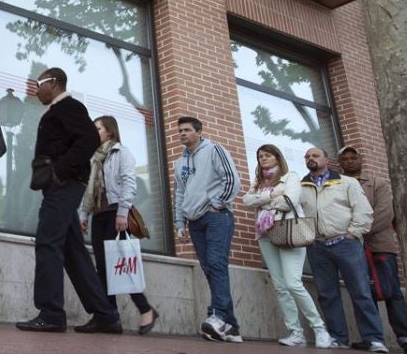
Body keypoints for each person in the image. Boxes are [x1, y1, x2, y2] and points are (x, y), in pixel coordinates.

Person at [15, 68, 122, 335]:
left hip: (65, 185)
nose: (35, 89)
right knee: (74, 252)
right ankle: (106, 315)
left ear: (53, 83)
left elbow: (88, 139)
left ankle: (51, 313)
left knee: (47, 242)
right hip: (62, 186)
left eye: (39, 84)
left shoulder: (70, 106)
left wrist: (59, 171)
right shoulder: (56, 110)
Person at [241, 144, 333, 348]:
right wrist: (271, 196)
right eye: (260, 156)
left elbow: (290, 200)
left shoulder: (290, 176)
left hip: (289, 231)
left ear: (277, 157)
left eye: (267, 155)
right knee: (281, 286)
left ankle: (319, 328)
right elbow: (247, 200)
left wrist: (263, 200)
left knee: (293, 283)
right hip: (265, 235)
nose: (263, 159)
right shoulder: (258, 181)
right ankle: (295, 332)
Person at [300, 147, 388, 353]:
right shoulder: (301, 186)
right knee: (327, 294)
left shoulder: (346, 182)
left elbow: (363, 210)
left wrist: (353, 233)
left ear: (326, 160)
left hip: (346, 243)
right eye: (307, 156)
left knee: (361, 291)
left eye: (315, 155)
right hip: (318, 246)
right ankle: (338, 337)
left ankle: (374, 339)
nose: (310, 159)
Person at [80, 115, 157, 335]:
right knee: (103, 268)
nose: (94, 132)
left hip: (116, 213)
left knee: (122, 265)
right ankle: (109, 318)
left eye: (98, 129)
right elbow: (89, 190)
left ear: (110, 132)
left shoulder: (121, 152)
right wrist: (83, 216)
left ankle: (145, 309)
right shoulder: (94, 158)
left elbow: (129, 184)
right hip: (99, 215)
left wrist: (123, 213)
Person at [173, 116, 241, 343]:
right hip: (194, 221)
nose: (182, 133)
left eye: (187, 130)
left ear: (198, 132)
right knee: (210, 268)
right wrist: (180, 224)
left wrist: (217, 204)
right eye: (180, 130)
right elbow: (179, 194)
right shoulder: (179, 162)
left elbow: (232, 179)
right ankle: (231, 327)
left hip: (216, 217)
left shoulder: (214, 149)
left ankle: (218, 315)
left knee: (216, 263)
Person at [338, 146, 407, 353]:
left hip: (379, 246)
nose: (350, 161)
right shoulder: (338, 184)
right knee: (362, 292)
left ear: (361, 159)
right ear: (340, 163)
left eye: (354, 157)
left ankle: (404, 337)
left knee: (392, 292)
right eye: (345, 159)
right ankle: (372, 337)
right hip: (351, 247)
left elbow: (385, 213)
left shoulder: (377, 183)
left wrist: (359, 231)